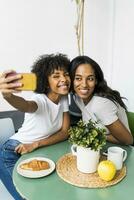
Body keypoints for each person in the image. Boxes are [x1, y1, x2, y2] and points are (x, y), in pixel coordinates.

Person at [0, 53, 71, 200]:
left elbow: (65, 132)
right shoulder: (39, 100)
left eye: (66, 74)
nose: (64, 79)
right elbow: (26, 106)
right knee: (27, 197)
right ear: (46, 82)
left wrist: (35, 144)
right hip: (12, 151)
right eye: (56, 76)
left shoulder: (63, 98)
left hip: (35, 151)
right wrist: (8, 96)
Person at [69, 55, 133, 145]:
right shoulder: (77, 96)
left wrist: (93, 134)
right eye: (78, 78)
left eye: (90, 78)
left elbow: (128, 140)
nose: (84, 84)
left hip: (118, 150)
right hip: (99, 146)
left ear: (96, 81)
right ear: (71, 80)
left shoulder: (100, 104)